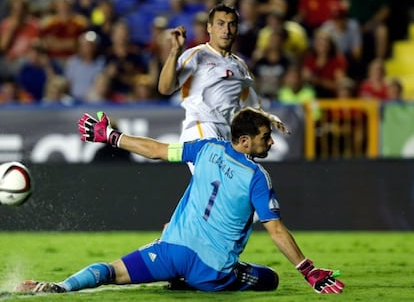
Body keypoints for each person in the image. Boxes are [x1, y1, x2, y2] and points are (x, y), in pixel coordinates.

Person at [15, 107, 345, 294]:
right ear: (245, 141)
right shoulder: (257, 177)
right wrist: (308, 269)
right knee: (270, 280)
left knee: (109, 271)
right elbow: (275, 230)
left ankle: (59, 287)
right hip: (211, 271)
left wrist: (113, 136)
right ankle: (189, 281)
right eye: (265, 137)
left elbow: (157, 151)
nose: (270, 142)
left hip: (170, 252)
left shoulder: (206, 149)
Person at [158, 3, 277, 147]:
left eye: (231, 25)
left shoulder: (240, 66)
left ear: (237, 29)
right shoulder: (196, 55)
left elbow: (251, 105)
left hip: (227, 133)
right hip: (201, 128)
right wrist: (174, 52)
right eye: (220, 24)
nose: (226, 31)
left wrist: (269, 119)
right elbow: (165, 89)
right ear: (209, 28)